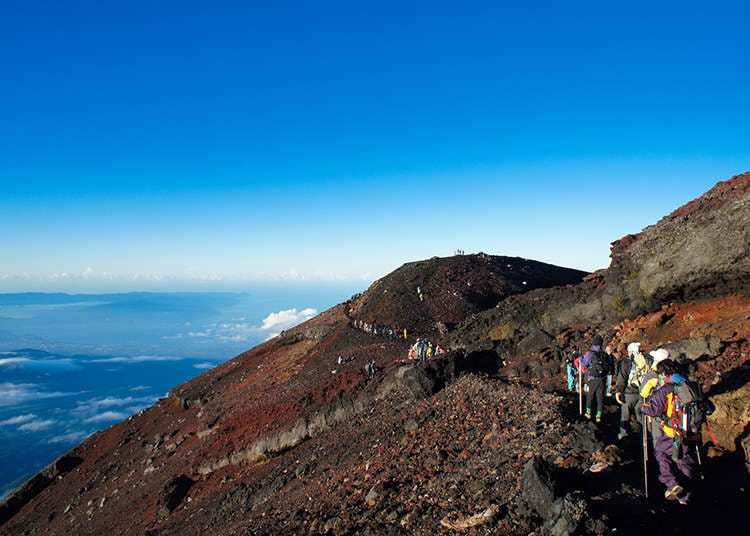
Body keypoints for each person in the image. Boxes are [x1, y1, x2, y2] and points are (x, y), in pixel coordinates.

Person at [640, 359, 697, 504]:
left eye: (660, 374)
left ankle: (672, 484)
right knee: (683, 458)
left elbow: (654, 410)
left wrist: (643, 407)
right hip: (691, 430)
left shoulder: (666, 389)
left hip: (673, 431)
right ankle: (687, 494)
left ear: (664, 373)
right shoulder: (688, 384)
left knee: (661, 453)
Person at [615, 342, 652, 439]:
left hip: (629, 393)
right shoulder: (646, 360)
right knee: (640, 414)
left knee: (625, 414)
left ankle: (624, 434)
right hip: (643, 392)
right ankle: (644, 435)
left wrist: (619, 390)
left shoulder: (626, 362)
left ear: (630, 351)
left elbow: (622, 377)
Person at [581, 335, 612, 423]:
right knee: (600, 397)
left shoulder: (590, 354)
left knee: (590, 395)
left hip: (592, 378)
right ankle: (599, 415)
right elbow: (609, 366)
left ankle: (588, 412)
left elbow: (584, 364)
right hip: (602, 379)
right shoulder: (604, 354)